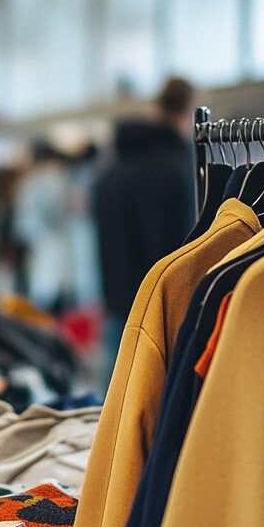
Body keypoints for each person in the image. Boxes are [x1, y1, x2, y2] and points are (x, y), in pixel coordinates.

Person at [94, 77, 196, 373]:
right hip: (160, 313)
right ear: (188, 111)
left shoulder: (111, 170)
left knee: (113, 403)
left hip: (115, 305)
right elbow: (178, 249)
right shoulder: (178, 170)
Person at [13, 142, 73, 312]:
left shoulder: (30, 179)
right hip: (51, 240)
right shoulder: (51, 178)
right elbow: (54, 212)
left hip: (37, 241)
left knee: (41, 285)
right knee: (49, 287)